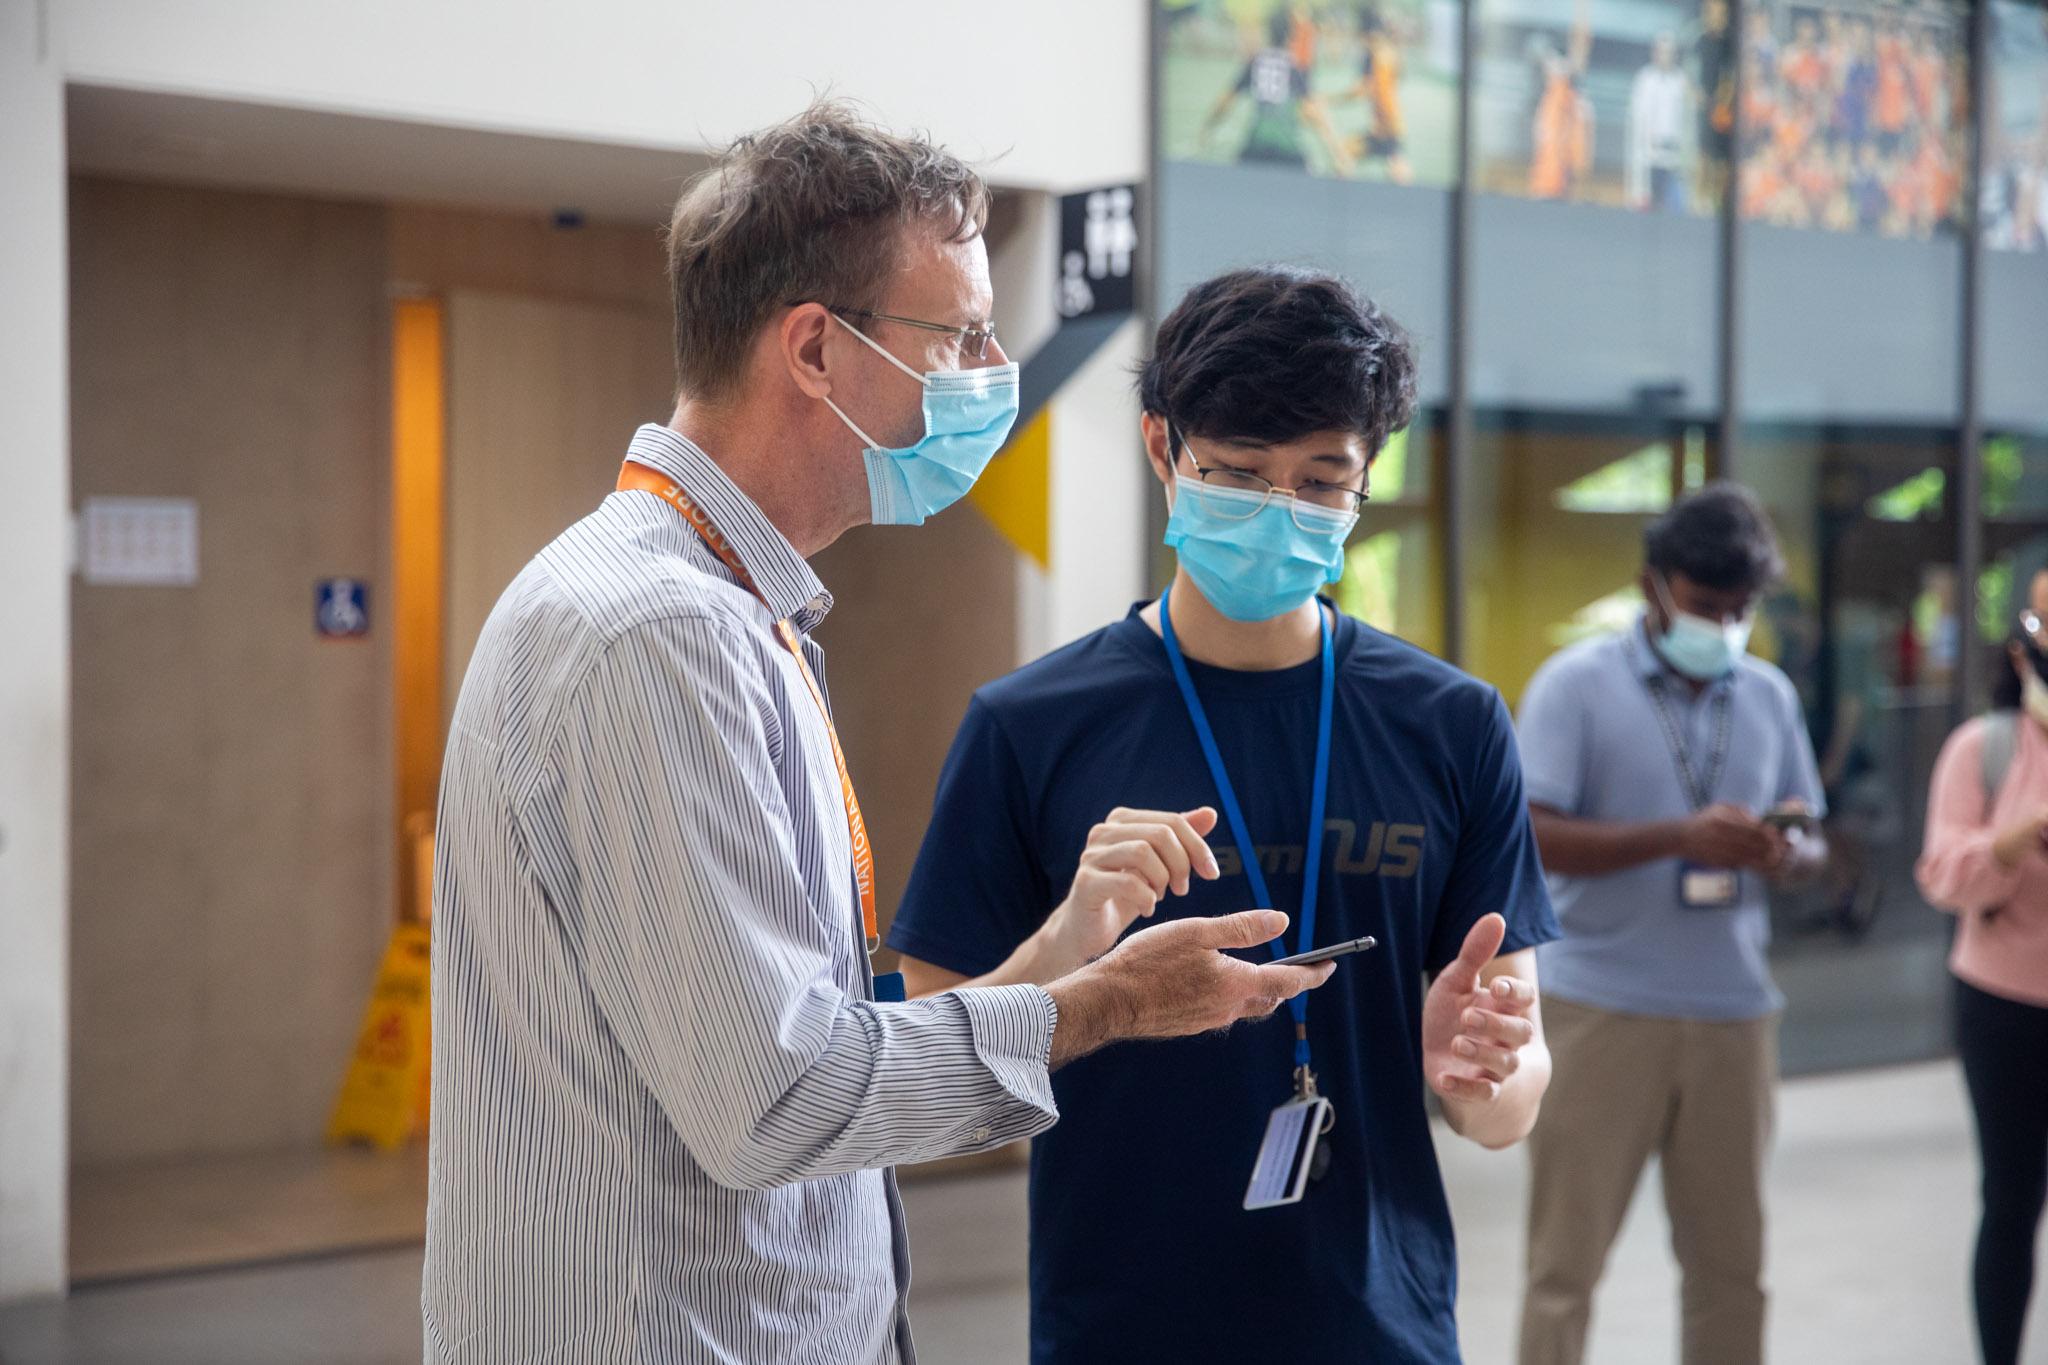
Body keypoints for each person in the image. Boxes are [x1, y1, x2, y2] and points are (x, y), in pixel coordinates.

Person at [420, 105, 1335, 1364]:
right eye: (956, 334)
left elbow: (813, 1050)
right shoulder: (660, 636)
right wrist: (1107, 1006)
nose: (987, 366)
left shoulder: (731, 610)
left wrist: (1064, 952)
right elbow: (778, 1100)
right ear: (814, 350)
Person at [887, 266, 1560, 1364]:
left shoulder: (1452, 725)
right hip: (1121, 1327)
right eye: (1237, 476)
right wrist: (1066, 948)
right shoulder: (1029, 726)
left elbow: (1509, 1103)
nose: (1278, 512)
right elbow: (921, 1076)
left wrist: (1478, 1073)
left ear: (1365, 478)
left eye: (1318, 481)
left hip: (1380, 1329)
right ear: (1161, 450)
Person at [1513, 483, 1828, 1365]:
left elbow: (1811, 843)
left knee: (1732, 1272)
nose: (1725, 625)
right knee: (1563, 1267)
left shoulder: (1767, 694)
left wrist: (1780, 854)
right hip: (1601, 1011)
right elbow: (1532, 836)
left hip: (1734, 1014)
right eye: (1706, 605)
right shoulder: (1575, 685)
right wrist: (1680, 836)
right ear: (1654, 588)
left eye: (1741, 608)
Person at [1916, 569, 2048, 1365]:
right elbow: (1939, 871)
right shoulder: (1984, 747)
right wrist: (2007, 844)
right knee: (2009, 1201)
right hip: (2002, 1003)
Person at [1202, 10, 1354, 173]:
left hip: (1257, 143)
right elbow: (1314, 113)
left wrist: (1208, 127)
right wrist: (1337, 154)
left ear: (1268, 32)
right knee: (1308, 178)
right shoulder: (1293, 67)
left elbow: (1225, 100)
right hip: (1286, 146)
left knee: (1238, 178)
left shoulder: (1256, 62)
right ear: (1290, 35)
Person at [1627, 33, 1694, 211]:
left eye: (1669, 52)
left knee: (1673, 200)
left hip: (1673, 149)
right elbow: (1639, 117)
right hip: (1650, 150)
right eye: (1661, 51)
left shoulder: (1680, 81)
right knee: (1648, 197)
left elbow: (1686, 116)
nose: (1665, 56)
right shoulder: (1645, 79)